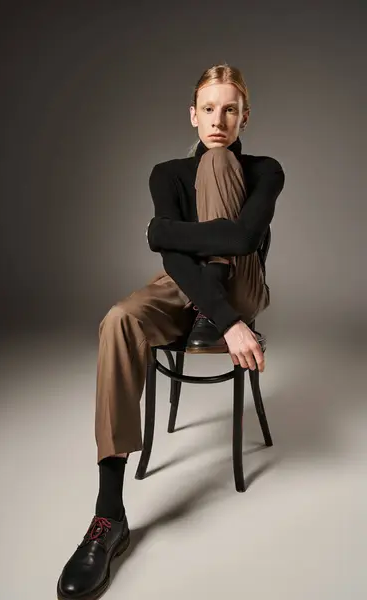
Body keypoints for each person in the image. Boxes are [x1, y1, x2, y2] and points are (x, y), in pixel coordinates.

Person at [57, 63, 285, 600]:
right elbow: (173, 259)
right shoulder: (166, 173)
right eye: (209, 108)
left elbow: (244, 235)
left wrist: (167, 235)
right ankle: (108, 517)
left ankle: (213, 312)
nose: (218, 119)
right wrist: (215, 307)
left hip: (244, 284)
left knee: (220, 164)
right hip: (180, 286)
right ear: (193, 113)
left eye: (230, 108)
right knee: (119, 319)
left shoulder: (266, 168)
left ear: (244, 114)